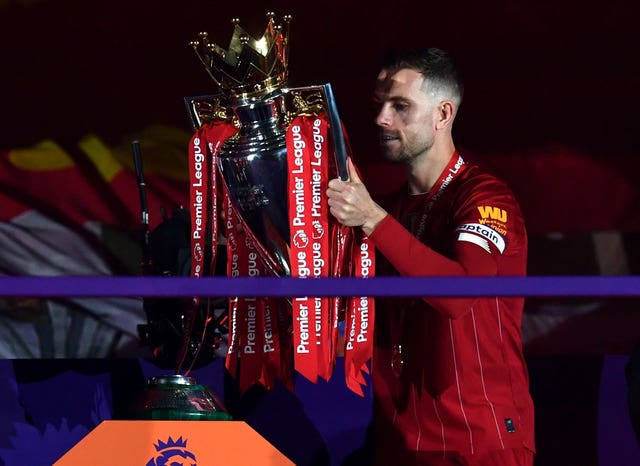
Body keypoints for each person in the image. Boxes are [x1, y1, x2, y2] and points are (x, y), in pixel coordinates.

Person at [327, 47, 535, 466]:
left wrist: (372, 219)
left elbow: (456, 296)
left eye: (400, 106)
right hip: (398, 441)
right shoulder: (390, 208)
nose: (382, 119)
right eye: (379, 105)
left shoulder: (484, 196)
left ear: (442, 115)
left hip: (477, 441)